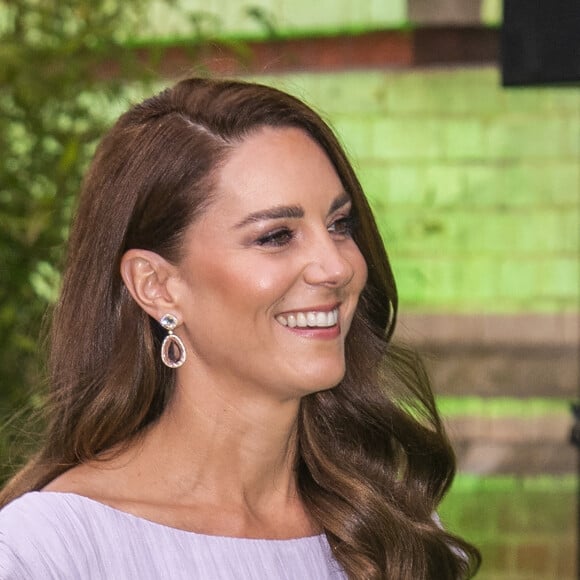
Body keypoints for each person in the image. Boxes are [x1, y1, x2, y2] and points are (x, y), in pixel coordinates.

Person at [0, 77, 480, 579]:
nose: (335, 267)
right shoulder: (51, 551)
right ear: (158, 286)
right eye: (276, 236)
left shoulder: (389, 528)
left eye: (340, 225)